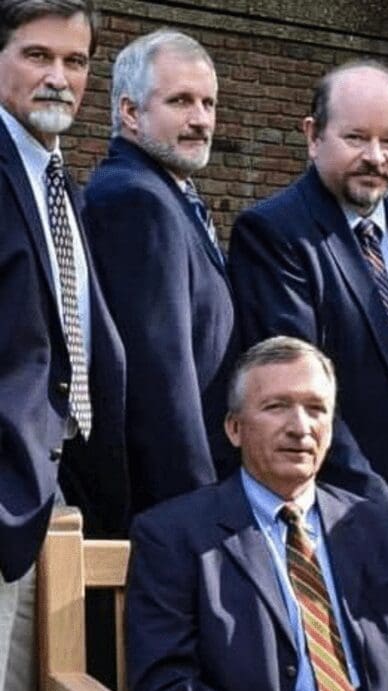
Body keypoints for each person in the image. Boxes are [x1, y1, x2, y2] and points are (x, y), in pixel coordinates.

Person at [125, 336, 388, 691]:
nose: (300, 427)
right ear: (234, 428)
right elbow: (165, 683)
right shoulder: (174, 535)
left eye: (316, 409)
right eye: (277, 407)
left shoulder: (379, 532)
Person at [229, 61, 388, 535]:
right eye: (356, 138)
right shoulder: (274, 234)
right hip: (337, 515)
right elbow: (295, 390)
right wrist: (375, 502)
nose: (375, 157)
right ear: (313, 137)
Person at [0, 1, 129, 691]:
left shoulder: (58, 181)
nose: (58, 77)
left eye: (75, 62)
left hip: (50, 503)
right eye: (37, 55)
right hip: (8, 498)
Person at [85, 28, 237, 514]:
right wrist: (199, 512)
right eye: (181, 101)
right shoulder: (137, 200)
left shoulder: (171, 195)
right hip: (171, 506)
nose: (201, 120)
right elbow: (161, 383)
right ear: (130, 113)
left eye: (209, 104)